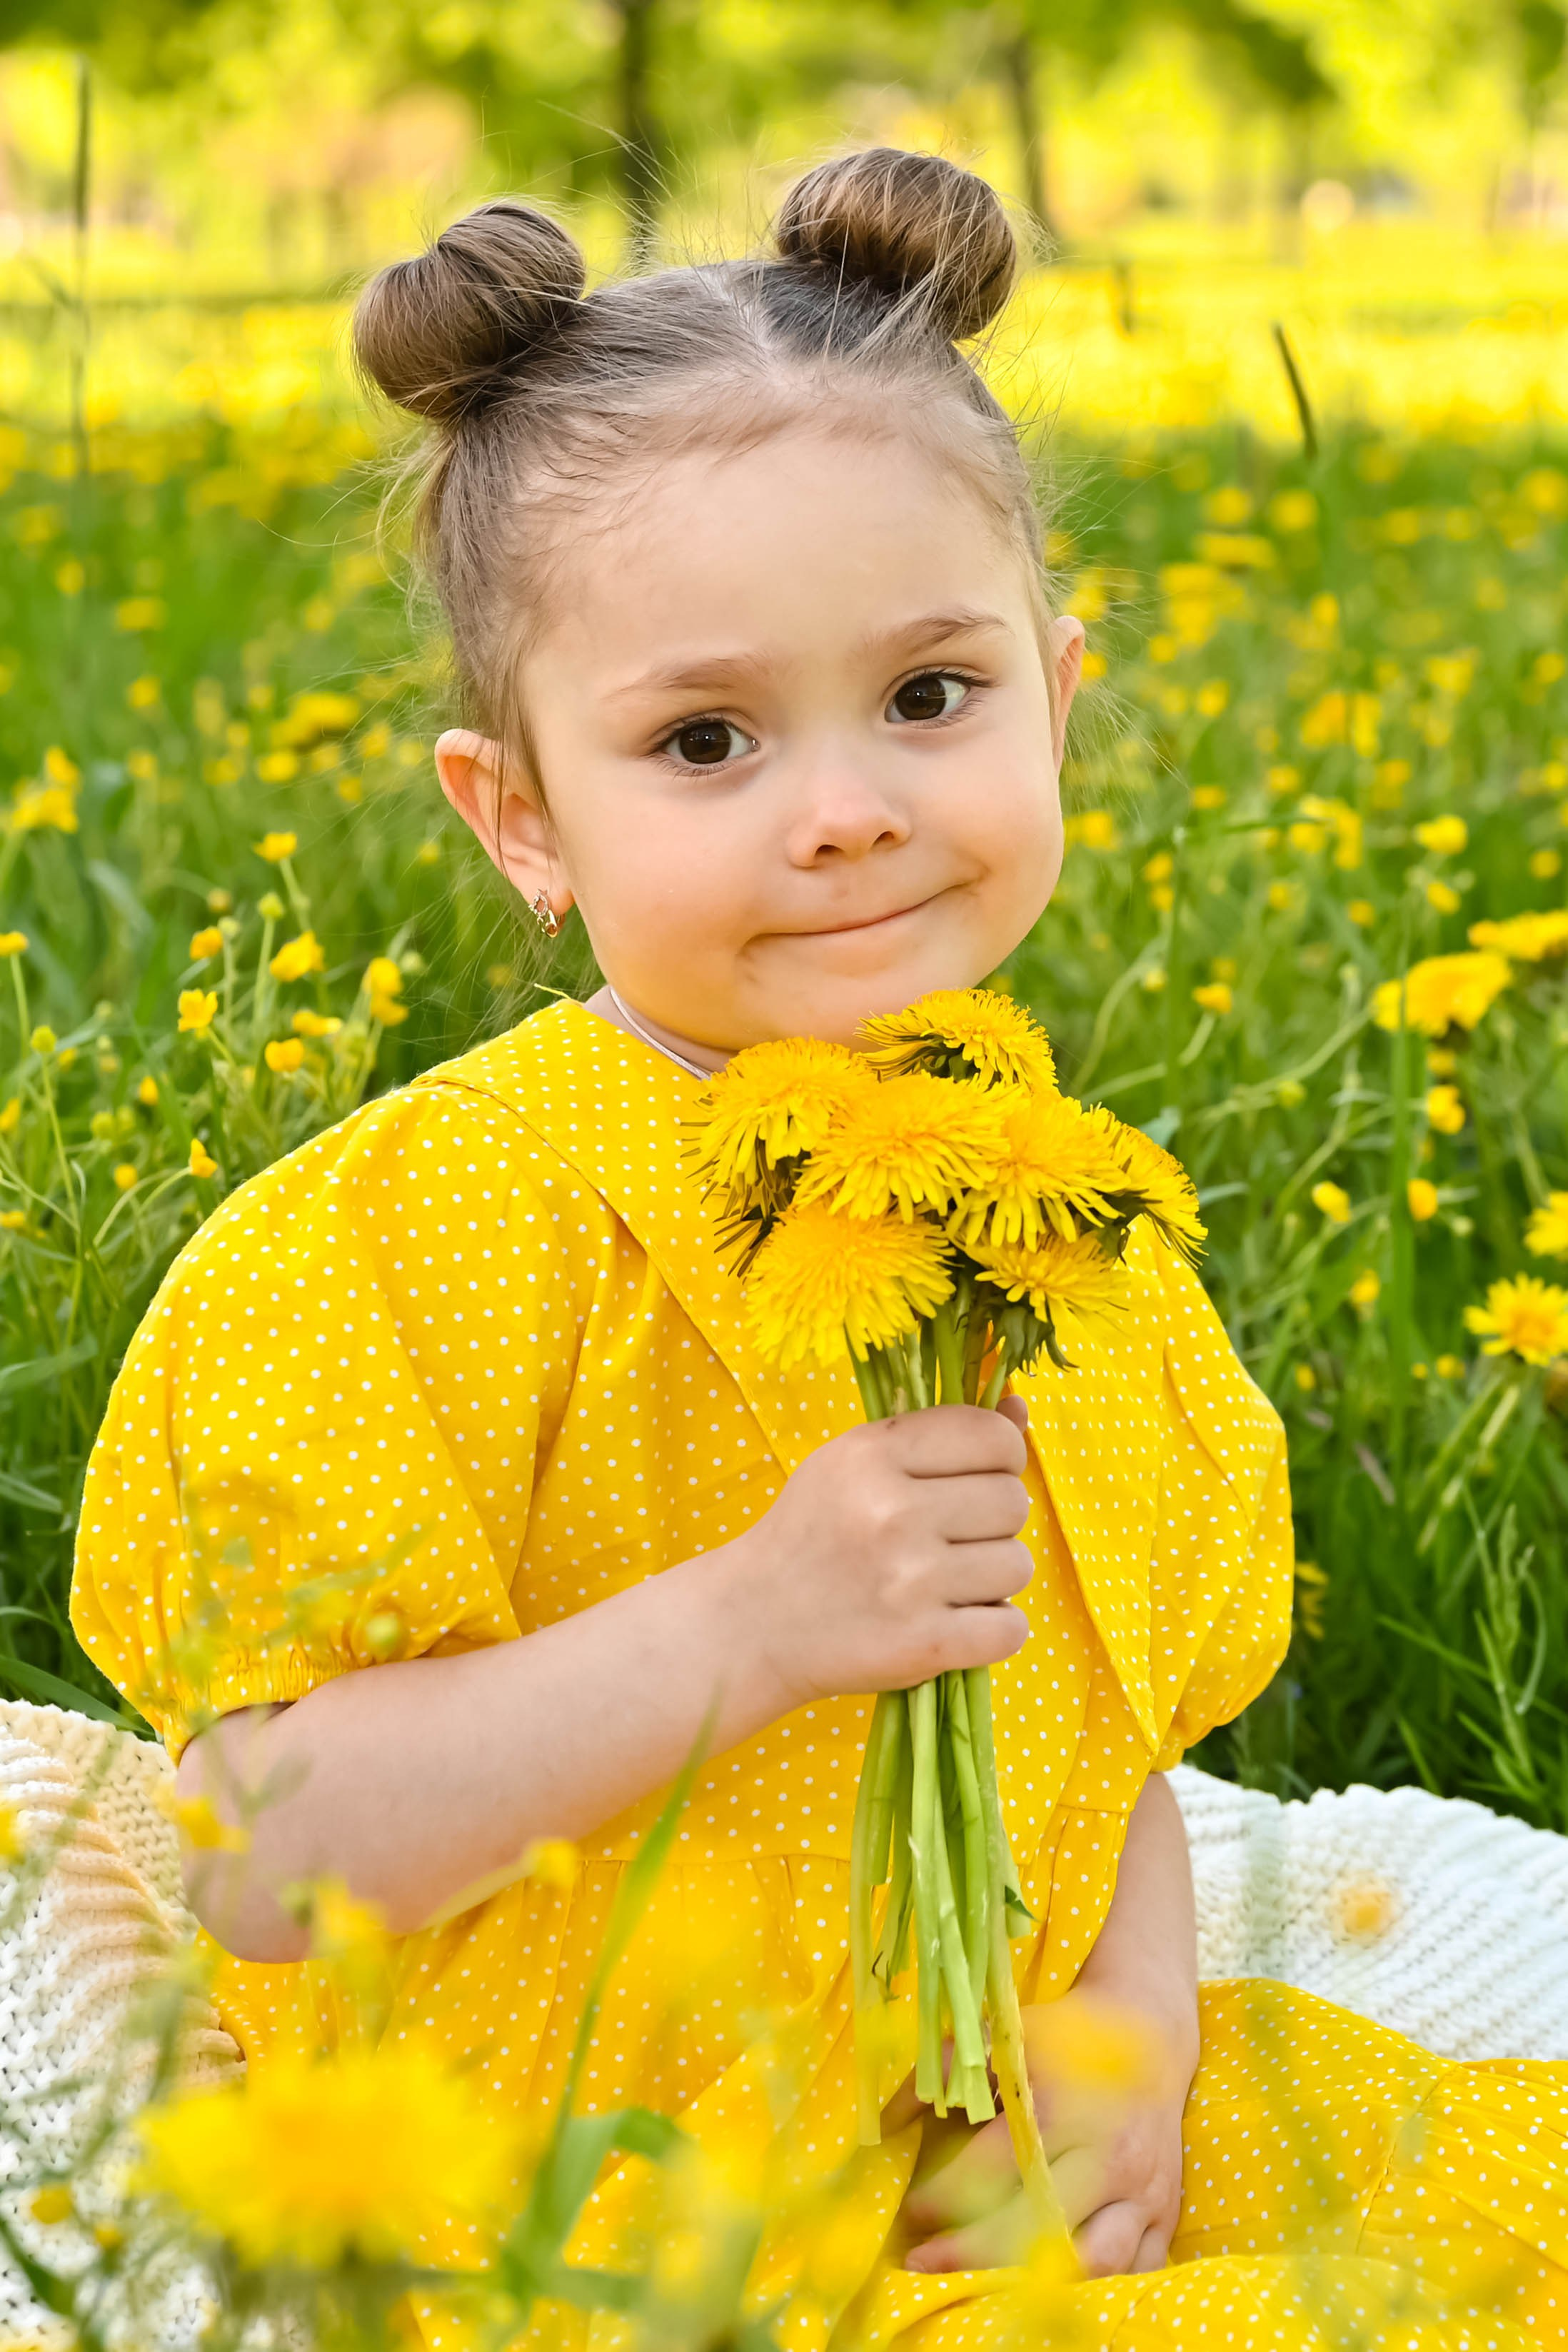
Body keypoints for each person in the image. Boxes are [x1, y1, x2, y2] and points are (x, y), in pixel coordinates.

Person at [71, 149, 1567, 2350]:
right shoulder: (415, 1236)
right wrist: (744, 1628)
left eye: (930, 697)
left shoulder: (1060, 1229)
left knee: (1483, 2219)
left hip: (979, 2175)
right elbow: (253, 1857)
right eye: (704, 739)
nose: (846, 805)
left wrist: (1127, 2042)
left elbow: (1105, 1734)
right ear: (522, 821)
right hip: (585, 2205)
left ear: (1056, 692)